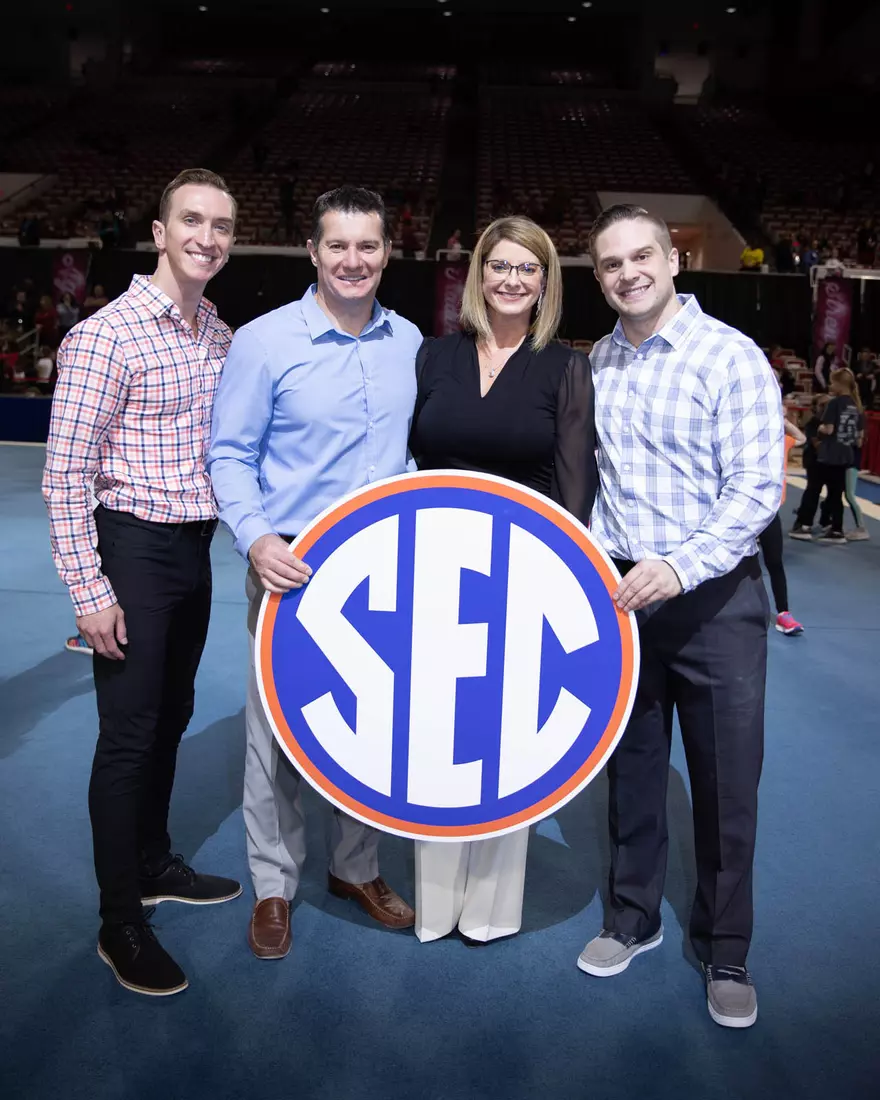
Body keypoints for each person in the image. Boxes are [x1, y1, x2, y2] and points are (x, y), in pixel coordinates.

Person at [579, 204, 783, 1029]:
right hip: (627, 600)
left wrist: (679, 566)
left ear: (673, 261)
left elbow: (757, 489)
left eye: (642, 257)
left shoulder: (730, 356)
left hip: (715, 602)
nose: (628, 273)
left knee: (726, 786)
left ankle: (725, 948)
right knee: (631, 773)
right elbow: (596, 483)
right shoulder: (598, 360)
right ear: (599, 277)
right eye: (611, 264)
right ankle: (632, 917)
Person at [42, 168, 241, 998]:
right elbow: (64, 476)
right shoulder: (106, 336)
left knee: (172, 715)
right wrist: (89, 591)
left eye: (221, 226)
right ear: (160, 233)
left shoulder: (218, 333)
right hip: (131, 550)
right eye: (191, 221)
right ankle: (118, 919)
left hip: (194, 551)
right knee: (128, 735)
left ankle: (154, 861)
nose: (206, 237)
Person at [208, 186, 421, 962]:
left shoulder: (410, 342)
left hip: (383, 571)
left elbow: (414, 455)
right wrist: (257, 538)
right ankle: (273, 884)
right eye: (338, 245)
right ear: (313, 252)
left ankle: (355, 868)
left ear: (387, 252)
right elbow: (229, 453)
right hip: (290, 568)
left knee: (368, 729)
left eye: (367, 246)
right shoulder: (263, 341)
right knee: (275, 738)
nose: (352, 260)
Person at [409, 216, 596, 946]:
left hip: (522, 585)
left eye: (528, 268)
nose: (512, 279)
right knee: (435, 738)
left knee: (501, 745)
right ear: (478, 275)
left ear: (546, 283)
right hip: (431, 580)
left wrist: (565, 593)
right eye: (500, 265)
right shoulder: (433, 356)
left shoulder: (565, 368)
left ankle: (489, 906)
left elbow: (574, 492)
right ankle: (434, 904)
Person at [791, 368, 864, 545]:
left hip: (829, 454)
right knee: (836, 494)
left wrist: (820, 428)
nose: (830, 386)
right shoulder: (857, 406)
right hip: (846, 455)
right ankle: (837, 530)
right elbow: (859, 439)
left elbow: (829, 429)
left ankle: (805, 526)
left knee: (813, 489)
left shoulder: (835, 403)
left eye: (832, 383)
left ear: (839, 384)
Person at [759, 414, 805, 635]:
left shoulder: (781, 441)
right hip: (745, 510)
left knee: (775, 562)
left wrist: (784, 422)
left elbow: (802, 438)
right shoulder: (749, 443)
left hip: (770, 513)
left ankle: (783, 613)